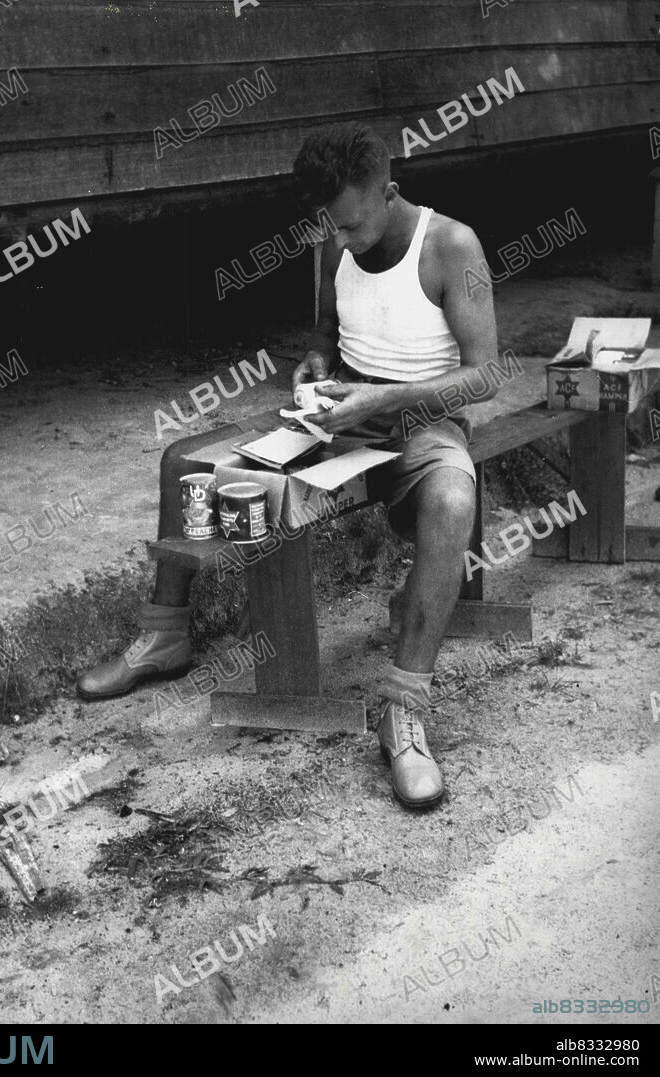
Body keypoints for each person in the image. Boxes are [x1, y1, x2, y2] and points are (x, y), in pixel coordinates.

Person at [77, 122, 499, 810]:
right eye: (331, 226)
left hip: (423, 425)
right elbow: (330, 334)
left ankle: (403, 707)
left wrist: (388, 395)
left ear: (389, 193)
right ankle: (165, 635)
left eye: (355, 226)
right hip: (340, 417)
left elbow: (487, 376)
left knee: (454, 502)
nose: (343, 241)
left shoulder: (451, 245)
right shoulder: (334, 237)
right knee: (184, 460)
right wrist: (316, 365)